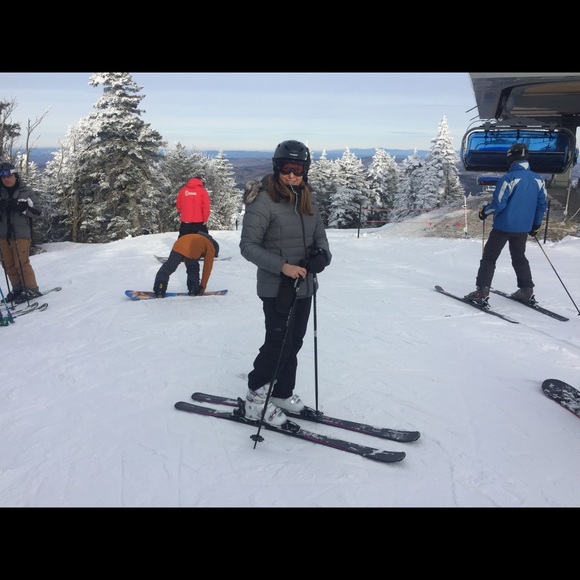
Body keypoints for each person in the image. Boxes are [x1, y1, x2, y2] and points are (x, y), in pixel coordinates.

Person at [239, 140, 331, 426]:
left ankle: (281, 393)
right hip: (277, 287)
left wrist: (322, 256)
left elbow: (320, 235)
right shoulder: (263, 201)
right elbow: (248, 246)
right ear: (276, 167)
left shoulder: (308, 198)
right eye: (286, 168)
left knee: (294, 343)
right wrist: (283, 267)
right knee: (278, 344)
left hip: (304, 286)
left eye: (298, 169)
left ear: (306, 170)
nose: (292, 174)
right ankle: (255, 399)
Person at [464, 142, 547, 307]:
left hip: (503, 226)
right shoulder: (538, 179)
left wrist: (484, 212)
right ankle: (526, 290)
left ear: (511, 158)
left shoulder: (508, 179)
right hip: (523, 228)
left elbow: (499, 205)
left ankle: (482, 292)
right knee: (519, 257)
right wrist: (535, 225)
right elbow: (541, 205)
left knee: (489, 257)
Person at [0, 162, 43, 304]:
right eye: (3, 177)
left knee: (21, 263)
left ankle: (31, 289)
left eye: (9, 176)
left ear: (15, 176)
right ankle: (18, 288)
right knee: (7, 264)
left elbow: (38, 212)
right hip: (3, 234)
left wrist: (22, 208)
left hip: (21, 233)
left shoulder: (26, 191)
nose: (7, 179)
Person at [153, 232, 218, 298]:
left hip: (179, 244)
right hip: (193, 246)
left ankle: (159, 289)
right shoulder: (211, 246)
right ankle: (193, 289)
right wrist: (203, 285)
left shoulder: (198, 237)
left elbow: (186, 253)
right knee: (193, 268)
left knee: (169, 267)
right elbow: (207, 267)